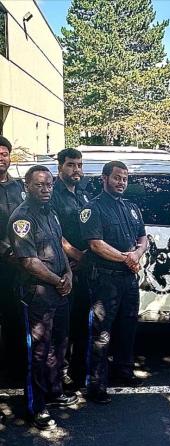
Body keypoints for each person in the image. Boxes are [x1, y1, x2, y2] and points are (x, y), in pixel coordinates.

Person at [8, 165, 77, 430]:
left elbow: (59, 245)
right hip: (38, 293)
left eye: (49, 184)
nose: (46, 189)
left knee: (59, 346)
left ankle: (54, 391)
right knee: (38, 352)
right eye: (39, 185)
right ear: (27, 186)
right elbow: (29, 262)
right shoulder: (22, 218)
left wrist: (68, 273)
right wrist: (58, 281)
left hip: (60, 290)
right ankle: (36, 407)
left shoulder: (51, 213)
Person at [79, 161, 147, 404]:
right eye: (117, 178)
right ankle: (96, 385)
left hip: (128, 278)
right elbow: (95, 244)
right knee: (101, 333)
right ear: (105, 178)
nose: (121, 183)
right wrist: (125, 258)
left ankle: (124, 372)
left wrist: (136, 255)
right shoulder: (93, 208)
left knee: (128, 328)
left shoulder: (131, 207)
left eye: (125, 179)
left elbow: (142, 237)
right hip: (105, 279)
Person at [51, 148, 91, 388]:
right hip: (65, 269)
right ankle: (61, 371)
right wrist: (77, 256)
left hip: (84, 269)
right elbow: (55, 234)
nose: (76, 169)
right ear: (60, 167)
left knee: (81, 322)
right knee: (62, 326)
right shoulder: (53, 195)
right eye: (71, 165)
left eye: (79, 165)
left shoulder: (83, 193)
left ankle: (78, 369)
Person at [0, 136, 25, 424]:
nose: (2, 158)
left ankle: (15, 369)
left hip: (19, 267)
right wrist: (6, 250)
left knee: (16, 318)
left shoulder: (20, 188)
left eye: (5, 153)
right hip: (2, 261)